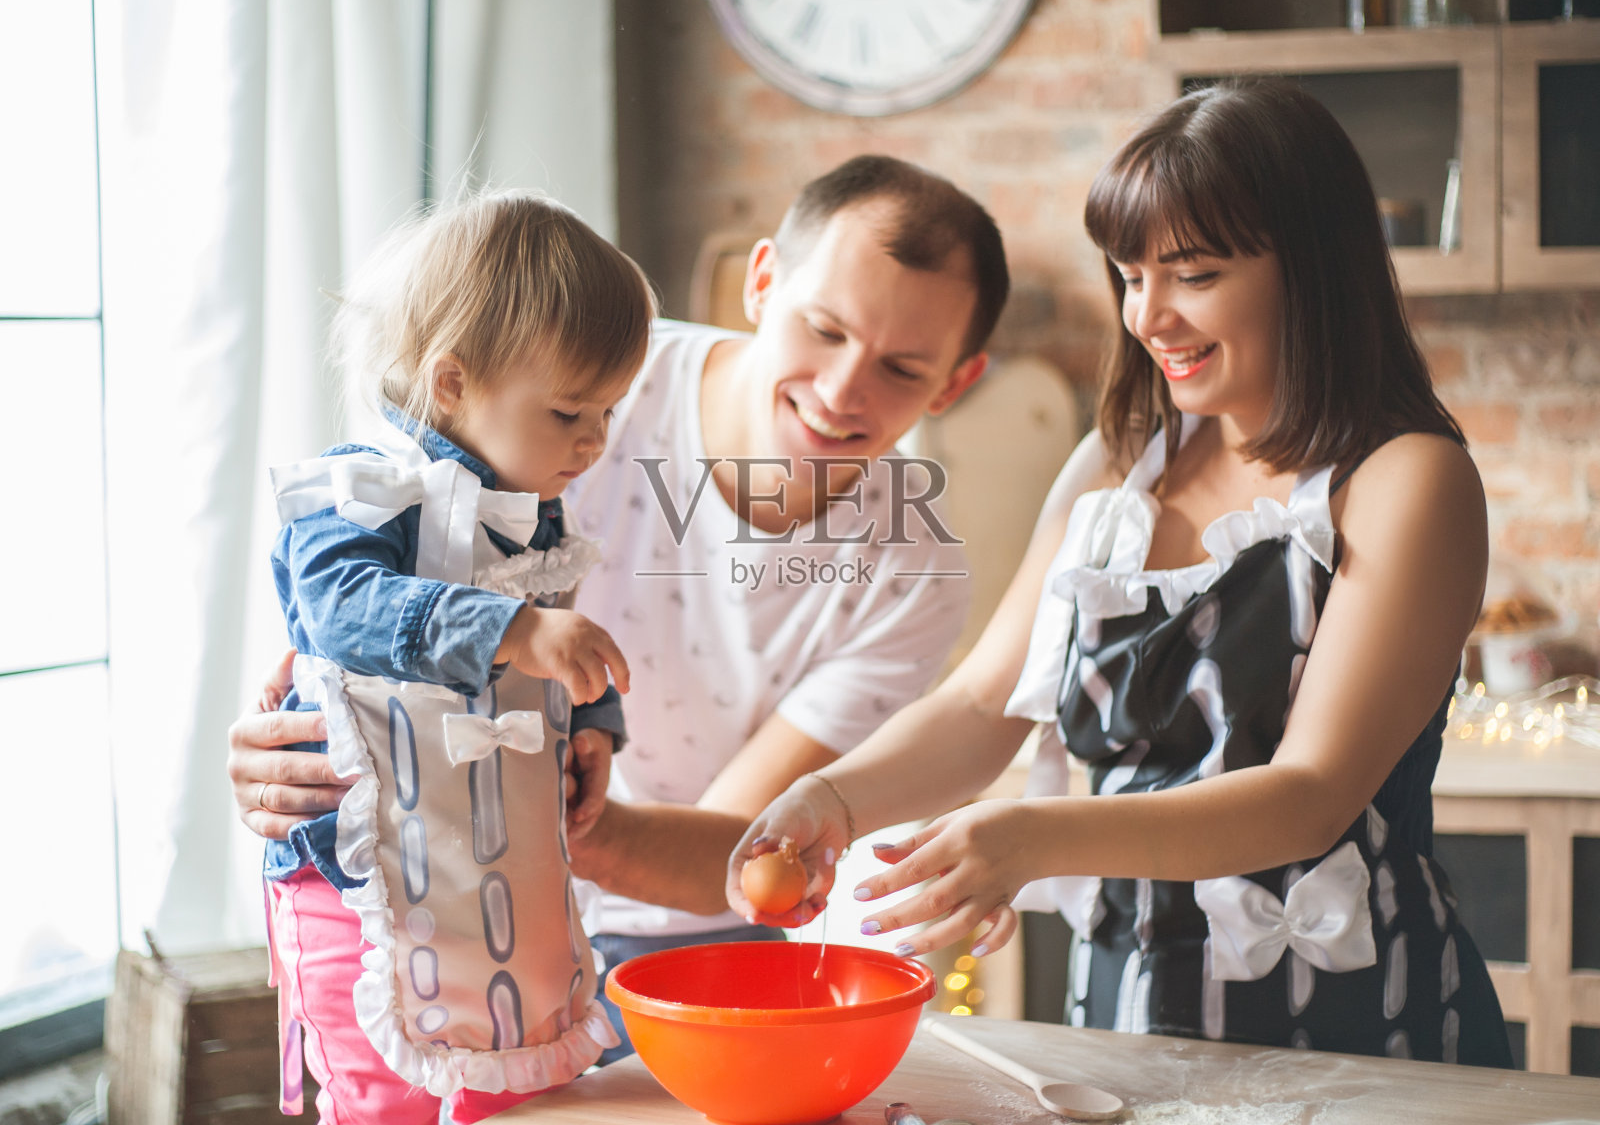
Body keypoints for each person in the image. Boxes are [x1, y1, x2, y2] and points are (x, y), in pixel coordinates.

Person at [729, 80, 1513, 1067]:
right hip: (1131, 1008)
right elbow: (985, 705)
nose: (1150, 317)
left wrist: (1023, 840)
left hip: (1357, 1020)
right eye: (1130, 275)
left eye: (1192, 274)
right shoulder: (1119, 463)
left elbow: (1310, 794)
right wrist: (833, 802)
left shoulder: (1404, 480)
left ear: (1310, 267)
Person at [230, 155, 1009, 1060]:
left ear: (954, 384)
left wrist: (550, 816)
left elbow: (736, 853)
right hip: (438, 892)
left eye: (903, 369)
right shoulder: (592, 376)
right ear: (762, 282)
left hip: (687, 937)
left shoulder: (910, 568)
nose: (842, 392)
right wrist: (297, 741)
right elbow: (367, 570)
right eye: (824, 329)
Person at [264, 190, 652, 1124]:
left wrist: (590, 723)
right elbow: (341, 607)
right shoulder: (359, 492)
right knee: (387, 1098)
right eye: (570, 411)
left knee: (516, 1089)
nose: (595, 440)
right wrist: (514, 631)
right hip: (356, 886)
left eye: (608, 410)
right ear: (451, 383)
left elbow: (556, 637)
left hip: (498, 879)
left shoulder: (530, 502)